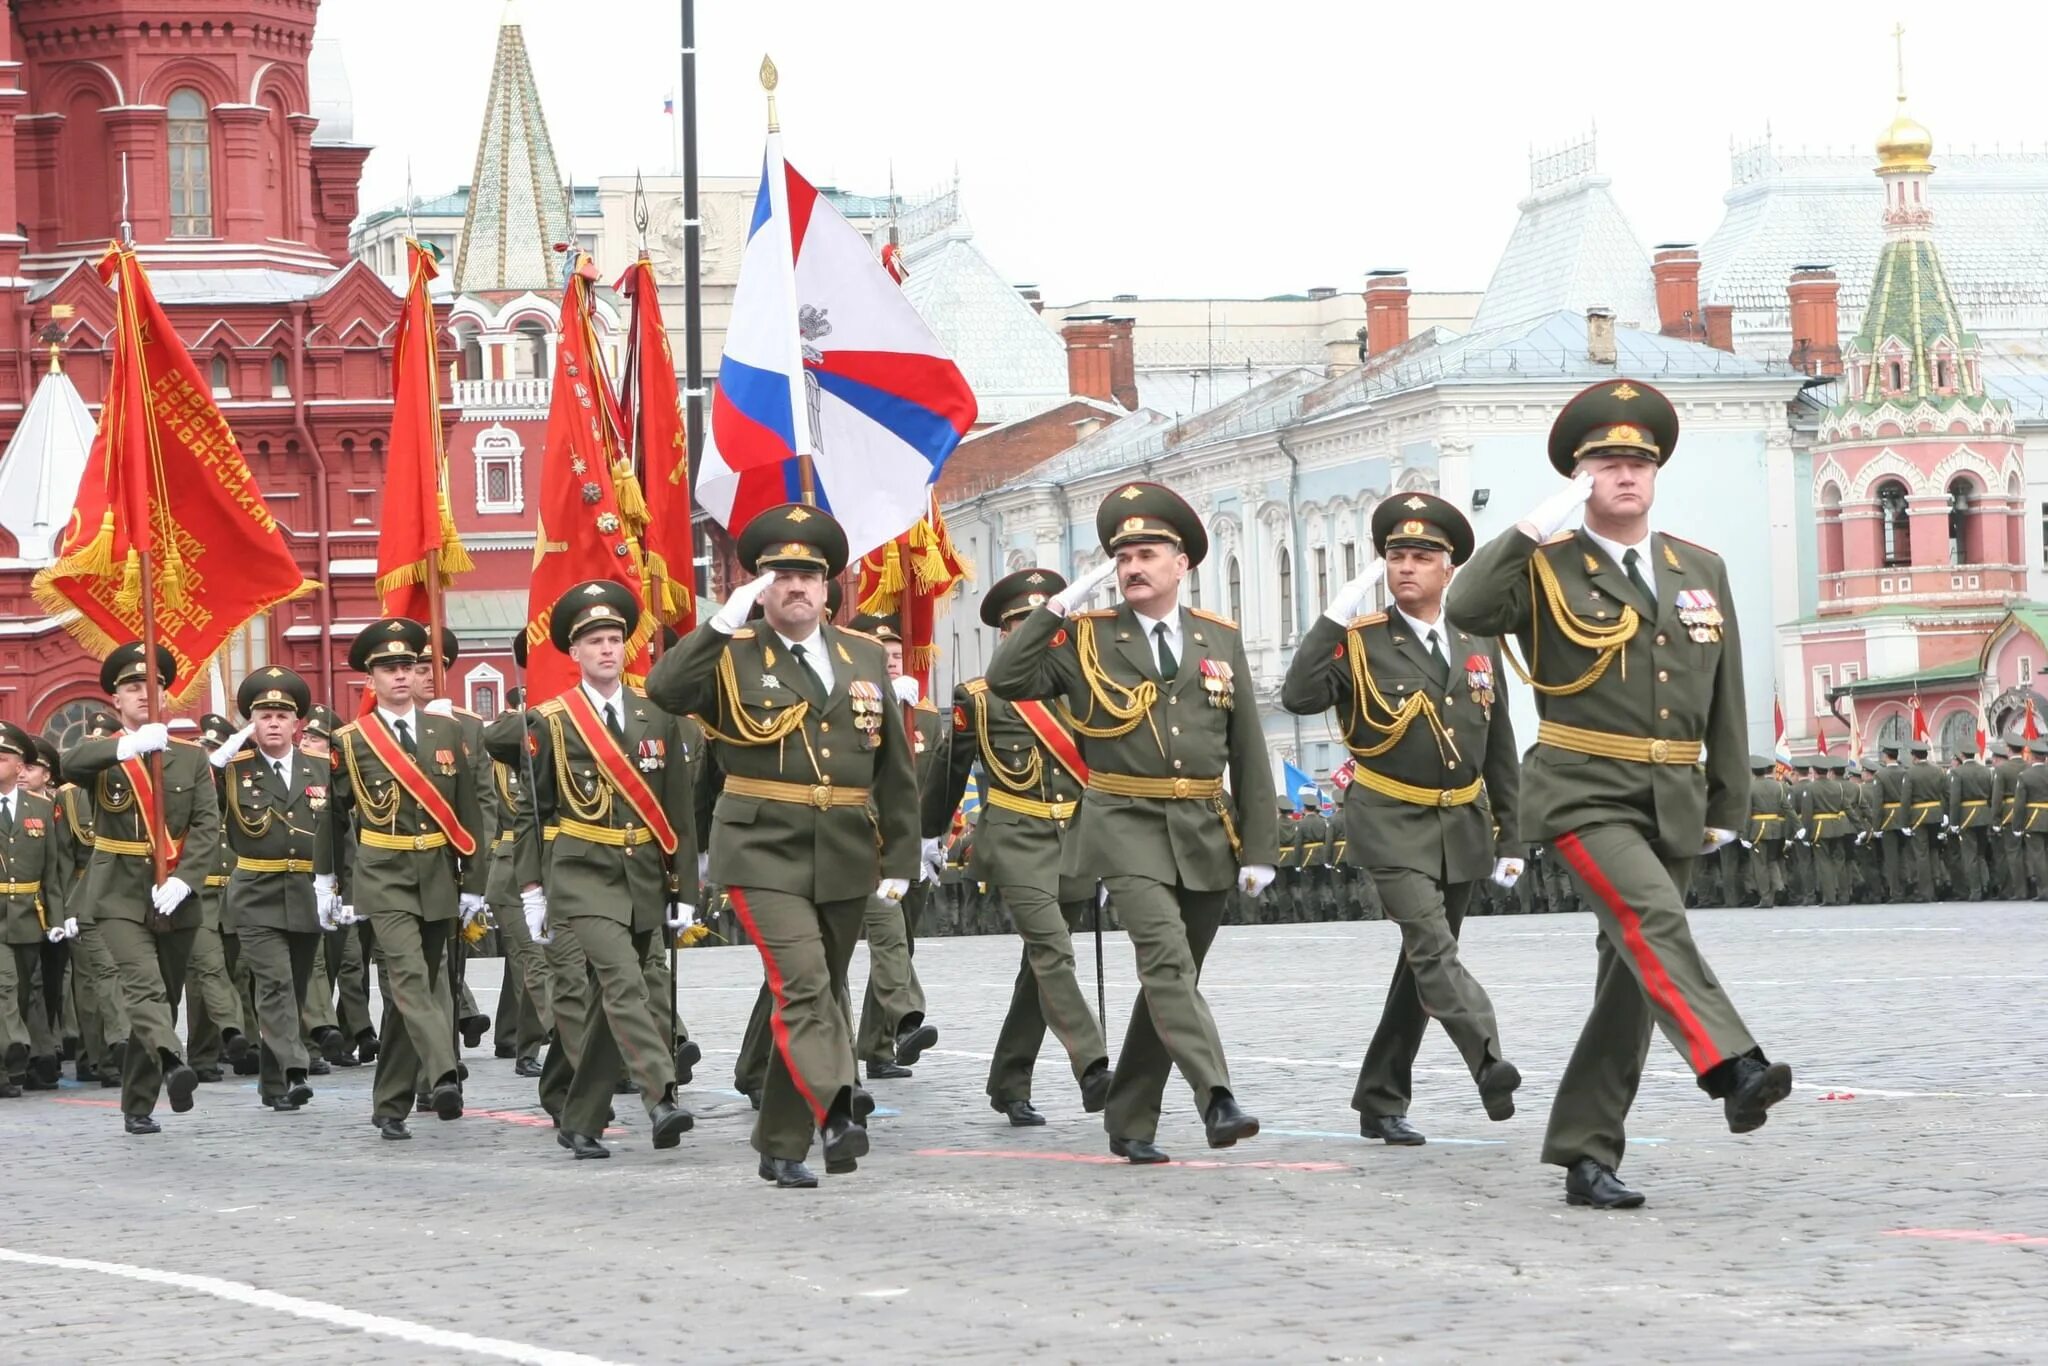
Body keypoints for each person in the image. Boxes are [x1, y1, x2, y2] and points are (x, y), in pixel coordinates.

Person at [1446, 378, 1794, 1210]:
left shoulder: (1697, 568)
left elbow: (1725, 692)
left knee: (1633, 979)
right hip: (1581, 787)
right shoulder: (1543, 566)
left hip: (1672, 793)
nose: (1624, 474)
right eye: (1605, 461)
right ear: (1579, 476)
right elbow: (1466, 603)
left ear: (1657, 471)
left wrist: (1725, 802)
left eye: (1638, 461)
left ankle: (1584, 1153)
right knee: (1652, 919)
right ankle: (1733, 1064)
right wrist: (1530, 528)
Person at [986, 481, 1279, 1164]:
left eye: (1148, 553)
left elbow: (1249, 751)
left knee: (1172, 983)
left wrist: (1259, 845)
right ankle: (1218, 1096)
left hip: (1206, 824)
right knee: (1166, 961)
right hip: (1123, 820)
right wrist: (1058, 606)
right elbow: (1007, 676)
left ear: (1184, 564)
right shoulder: (1087, 638)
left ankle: (1130, 1119)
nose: (1133, 567)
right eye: (1123, 557)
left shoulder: (1219, 640)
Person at [646, 505, 918, 1188]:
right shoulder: (732, 653)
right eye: (781, 575)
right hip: (762, 844)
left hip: (847, 847)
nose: (796, 586)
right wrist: (718, 622)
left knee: (818, 989)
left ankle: (778, 1141)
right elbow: (664, 690)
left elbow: (892, 764)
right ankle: (834, 1109)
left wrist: (903, 858)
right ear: (759, 587)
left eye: (809, 575)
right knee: (803, 985)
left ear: (829, 588)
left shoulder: (859, 653)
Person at [1280, 491, 1524, 1144]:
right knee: (1431, 946)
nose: (1406, 567)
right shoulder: (1360, 643)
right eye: (1396, 556)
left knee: (1421, 967)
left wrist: (1513, 834)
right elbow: (1298, 695)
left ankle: (1380, 1096)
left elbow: (1497, 745)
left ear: (1449, 569)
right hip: (1388, 818)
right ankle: (1488, 1058)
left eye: (1421, 556)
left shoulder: (1477, 643)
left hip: (1461, 824)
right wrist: (1332, 618)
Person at [512, 581, 697, 1159]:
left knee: (604, 1004)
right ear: (574, 652)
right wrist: (532, 890)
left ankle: (580, 1118)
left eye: (615, 639)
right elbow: (532, 813)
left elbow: (678, 810)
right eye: (594, 641)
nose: (607, 650)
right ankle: (660, 1095)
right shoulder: (550, 721)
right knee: (625, 981)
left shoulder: (656, 715)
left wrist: (683, 887)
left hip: (642, 872)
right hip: (582, 872)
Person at [927, 567, 1112, 1125]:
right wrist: (923, 838)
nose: (1030, 633)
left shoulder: (1090, 687)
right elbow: (948, 774)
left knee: (1040, 970)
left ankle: (1008, 1081)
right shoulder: (979, 699)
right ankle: (1095, 1067)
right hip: (1016, 837)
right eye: (1017, 625)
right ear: (1006, 636)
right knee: (1054, 950)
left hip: (1077, 839)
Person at [318, 618, 488, 1140]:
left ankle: (389, 1103)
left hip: (437, 870)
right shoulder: (349, 741)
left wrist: (475, 882)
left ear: (419, 674)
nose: (398, 676)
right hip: (382, 874)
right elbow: (332, 817)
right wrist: (327, 881)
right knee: (410, 978)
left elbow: (470, 811)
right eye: (386, 669)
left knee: (414, 991)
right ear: (370, 680)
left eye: (407, 667)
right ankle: (443, 1073)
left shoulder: (448, 731)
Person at [62, 642, 222, 1134]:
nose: (142, 695)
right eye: (132, 688)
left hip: (173, 891)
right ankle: (175, 1064)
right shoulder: (108, 754)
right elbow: (70, 766)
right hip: (116, 891)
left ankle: (138, 1102)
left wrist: (185, 880)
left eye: (151, 687)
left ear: (166, 696)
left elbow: (205, 825)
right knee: (143, 986)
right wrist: (125, 746)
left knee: (163, 997)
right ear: (116, 700)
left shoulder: (191, 758)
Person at [207, 667, 350, 1111]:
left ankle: (273, 1085)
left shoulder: (321, 769)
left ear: (296, 724)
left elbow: (344, 830)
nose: (272, 722)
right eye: (263, 715)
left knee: (298, 987)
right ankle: (294, 1069)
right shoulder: (233, 769)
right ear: (252, 722)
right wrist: (220, 756)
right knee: (275, 984)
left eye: (280, 715)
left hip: (309, 891)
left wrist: (346, 890)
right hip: (255, 891)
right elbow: (190, 793)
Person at [843, 613, 941, 1080]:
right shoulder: (845, 703)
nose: (895, 662)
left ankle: (879, 1046)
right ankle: (906, 1020)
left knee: (900, 945)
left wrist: (935, 835)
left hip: (912, 848)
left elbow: (932, 781)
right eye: (884, 655)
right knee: (882, 936)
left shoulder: (923, 714)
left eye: (899, 654)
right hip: (859, 843)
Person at [0, 720, 69, 1098]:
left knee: (25, 990)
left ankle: (7, 1070)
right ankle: (14, 1048)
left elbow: (52, 873)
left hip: (28, 914)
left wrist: (56, 920)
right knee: (4, 986)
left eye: (4, 757)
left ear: (20, 766)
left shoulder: (40, 809)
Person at [1947, 743, 1995, 901]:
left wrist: (1953, 822)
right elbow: (1991, 795)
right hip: (1984, 814)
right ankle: (1986, 885)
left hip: (1966, 816)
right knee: (1981, 854)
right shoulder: (1985, 771)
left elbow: (1955, 800)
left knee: (1970, 855)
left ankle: (1975, 890)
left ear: (1962, 755)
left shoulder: (1957, 772)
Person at [1742, 757, 1788, 908]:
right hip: (1776, 829)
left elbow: (1747, 813)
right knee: (1771, 860)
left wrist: (1744, 835)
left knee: (1760, 865)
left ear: (1753, 772)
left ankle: (1766, 898)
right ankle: (1779, 886)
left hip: (1758, 829)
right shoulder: (1779, 786)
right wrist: (1798, 827)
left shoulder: (1750, 787)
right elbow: (1787, 809)